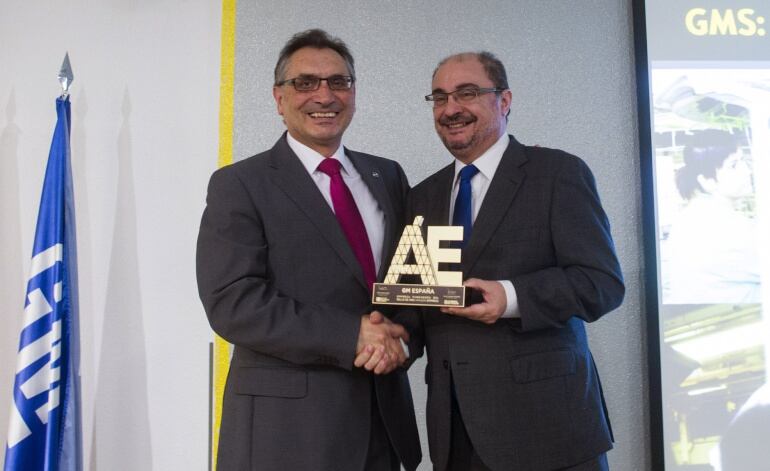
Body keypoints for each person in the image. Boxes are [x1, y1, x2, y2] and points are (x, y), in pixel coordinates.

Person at [196, 29, 421, 471]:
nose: (325, 95)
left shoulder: (387, 176)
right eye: (306, 83)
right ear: (279, 99)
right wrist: (351, 334)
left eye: (339, 82)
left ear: (353, 94)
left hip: (382, 424)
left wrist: (401, 339)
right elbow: (234, 304)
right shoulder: (240, 184)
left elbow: (409, 281)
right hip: (288, 435)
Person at [407, 52, 625, 470]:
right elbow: (425, 299)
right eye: (439, 97)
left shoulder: (558, 174)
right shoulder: (422, 196)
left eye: (467, 93)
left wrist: (509, 298)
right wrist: (387, 333)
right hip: (456, 432)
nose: (451, 108)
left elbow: (601, 284)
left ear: (504, 100)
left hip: (549, 430)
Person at [663, 129, 760, 304]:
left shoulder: (691, 218)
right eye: (734, 165)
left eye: (744, 161)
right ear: (707, 181)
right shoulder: (728, 228)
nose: (747, 171)